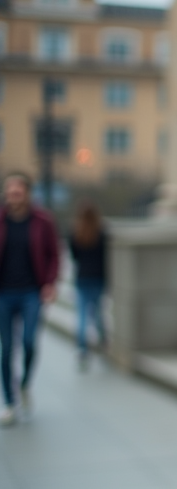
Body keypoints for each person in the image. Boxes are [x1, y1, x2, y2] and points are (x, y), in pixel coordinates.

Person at [0, 173, 59, 425]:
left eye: (18, 188)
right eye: (9, 188)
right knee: (5, 349)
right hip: (3, 293)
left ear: (27, 192)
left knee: (29, 342)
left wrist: (50, 283)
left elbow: (54, 254)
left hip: (31, 292)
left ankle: (24, 384)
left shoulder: (42, 221)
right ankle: (10, 402)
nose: (13, 193)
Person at [68, 200, 108, 369]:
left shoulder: (76, 233)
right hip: (98, 277)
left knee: (82, 314)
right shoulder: (102, 233)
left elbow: (74, 256)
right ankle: (103, 340)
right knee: (98, 312)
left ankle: (83, 348)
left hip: (82, 277)